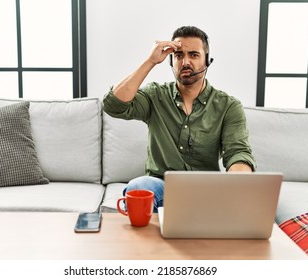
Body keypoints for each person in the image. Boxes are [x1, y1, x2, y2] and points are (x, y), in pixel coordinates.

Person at [103, 26, 256, 211]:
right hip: (161, 187)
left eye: (193, 55)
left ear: (207, 61)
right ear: (171, 61)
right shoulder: (155, 95)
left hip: (207, 189)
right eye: (179, 55)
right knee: (139, 187)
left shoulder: (229, 106)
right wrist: (150, 61)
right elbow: (114, 105)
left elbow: (238, 152)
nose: (185, 62)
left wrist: (237, 182)